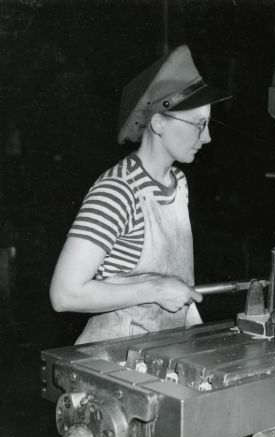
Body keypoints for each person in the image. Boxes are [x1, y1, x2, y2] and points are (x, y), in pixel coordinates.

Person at [50, 45, 230, 344]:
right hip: (113, 362)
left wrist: (196, 336)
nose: (208, 137)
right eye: (199, 125)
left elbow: (180, 281)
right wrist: (155, 290)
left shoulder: (177, 182)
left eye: (208, 124)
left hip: (163, 353)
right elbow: (64, 293)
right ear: (159, 123)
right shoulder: (118, 191)